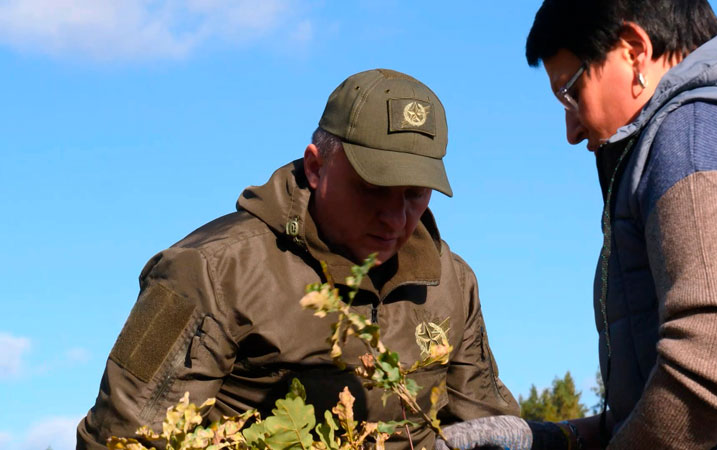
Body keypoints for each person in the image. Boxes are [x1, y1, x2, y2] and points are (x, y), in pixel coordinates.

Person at [76, 68, 519, 450]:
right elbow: (122, 438)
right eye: (373, 188)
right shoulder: (208, 271)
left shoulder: (452, 284)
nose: (394, 217)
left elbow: (486, 426)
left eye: (414, 195)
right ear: (316, 167)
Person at [436, 0, 717, 449]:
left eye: (569, 91)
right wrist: (558, 438)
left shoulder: (695, 135)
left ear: (633, 51)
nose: (569, 128)